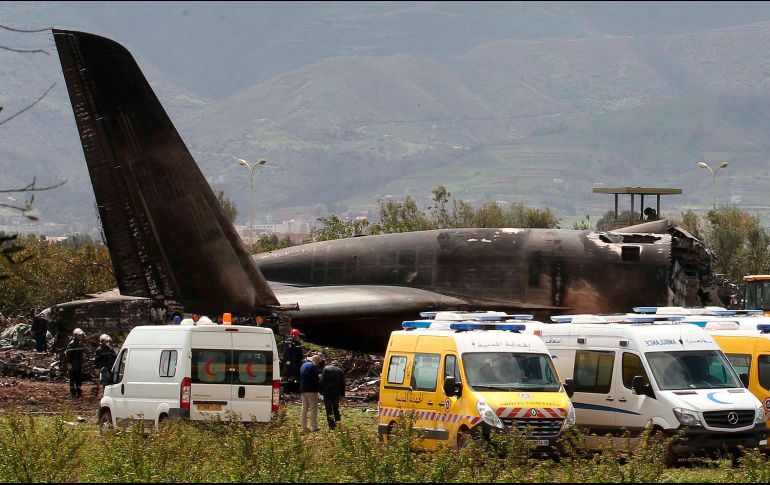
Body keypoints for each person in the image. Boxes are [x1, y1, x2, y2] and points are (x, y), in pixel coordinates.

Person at [320, 360, 346, 429]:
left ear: (331, 364)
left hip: (327, 393)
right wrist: (343, 394)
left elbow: (322, 380)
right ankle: (338, 422)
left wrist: (321, 391)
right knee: (336, 408)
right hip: (336, 393)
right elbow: (343, 384)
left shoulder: (326, 369)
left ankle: (331, 425)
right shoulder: (340, 371)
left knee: (329, 409)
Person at [299, 354, 322, 432]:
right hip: (311, 390)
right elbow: (315, 379)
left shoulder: (303, 365)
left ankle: (303, 426)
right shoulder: (313, 366)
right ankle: (314, 426)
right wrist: (319, 388)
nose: (317, 364)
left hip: (303, 389)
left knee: (304, 408)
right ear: (316, 360)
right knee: (313, 408)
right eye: (318, 362)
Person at [65, 328, 87, 397]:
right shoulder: (71, 345)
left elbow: (82, 353)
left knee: (79, 378)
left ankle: (79, 390)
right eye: (80, 335)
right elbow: (67, 356)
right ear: (76, 336)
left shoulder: (80, 344)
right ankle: (73, 391)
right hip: (73, 365)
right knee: (72, 378)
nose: (81, 337)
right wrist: (69, 365)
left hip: (79, 364)